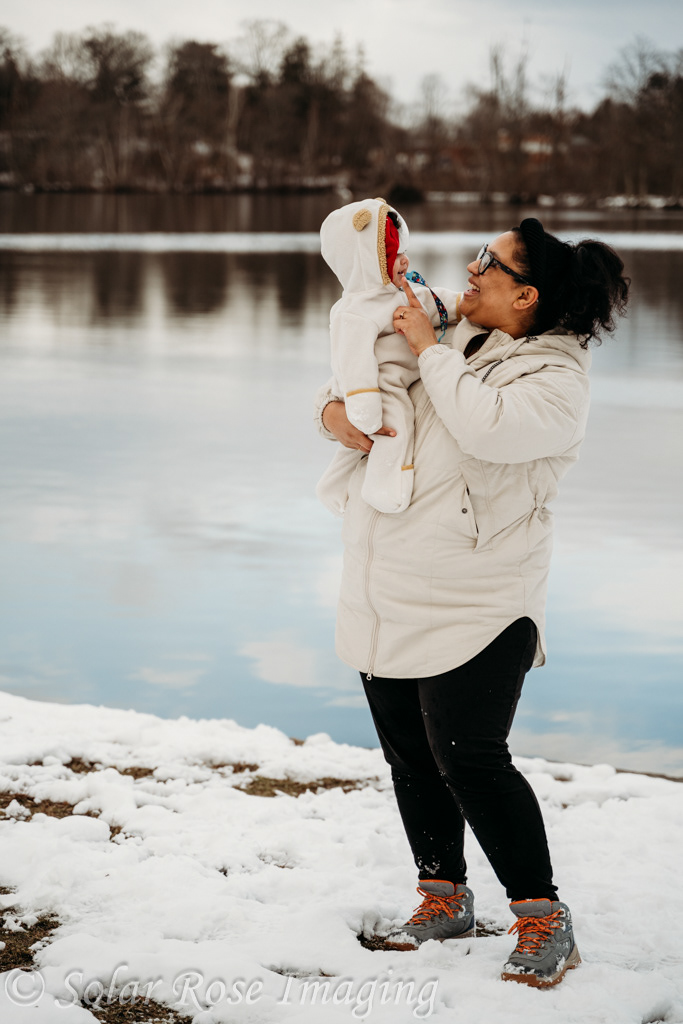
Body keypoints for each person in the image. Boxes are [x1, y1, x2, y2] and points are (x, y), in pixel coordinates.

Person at [315, 217, 629, 988]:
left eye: (491, 261)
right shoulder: (452, 336)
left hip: (480, 600)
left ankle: (542, 919)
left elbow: (482, 429)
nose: (472, 265)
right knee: (410, 755)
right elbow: (355, 392)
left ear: (525, 296)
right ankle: (442, 897)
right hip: (387, 579)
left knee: (471, 758)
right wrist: (339, 421)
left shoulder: (556, 382)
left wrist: (427, 346)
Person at [316, 197, 460, 515]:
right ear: (367, 260)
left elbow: (436, 300)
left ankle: (332, 485)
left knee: (355, 444)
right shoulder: (354, 311)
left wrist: (463, 305)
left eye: (403, 252)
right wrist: (365, 403)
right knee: (395, 428)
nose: (405, 262)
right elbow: (353, 360)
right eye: (395, 255)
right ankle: (386, 489)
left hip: (390, 379)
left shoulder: (401, 291)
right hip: (375, 386)